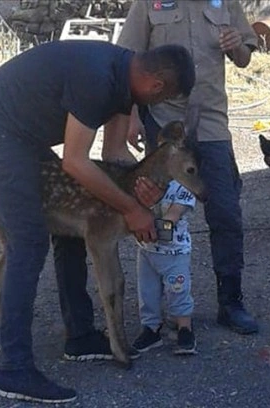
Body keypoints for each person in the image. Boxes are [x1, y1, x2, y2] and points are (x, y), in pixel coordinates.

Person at [0, 40, 195, 403]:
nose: (157, 107)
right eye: (163, 100)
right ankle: (15, 369)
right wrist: (133, 210)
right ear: (157, 86)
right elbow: (75, 162)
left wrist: (141, 193)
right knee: (30, 242)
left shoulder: (124, 81)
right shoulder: (97, 79)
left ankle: (80, 336)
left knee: (74, 220)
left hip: (20, 138)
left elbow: (114, 156)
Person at [111, 0, 259, 335]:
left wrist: (238, 46)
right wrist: (132, 116)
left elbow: (245, 57)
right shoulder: (148, 3)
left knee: (225, 211)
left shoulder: (226, 2)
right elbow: (127, 63)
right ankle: (157, 313)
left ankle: (231, 301)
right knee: (156, 212)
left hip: (211, 125)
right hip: (163, 124)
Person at [132, 180, 198, 355]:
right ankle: (151, 328)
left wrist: (145, 225)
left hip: (175, 253)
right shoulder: (146, 183)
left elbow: (172, 217)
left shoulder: (184, 188)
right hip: (146, 251)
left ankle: (184, 328)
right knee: (147, 292)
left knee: (178, 290)